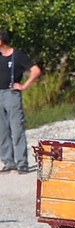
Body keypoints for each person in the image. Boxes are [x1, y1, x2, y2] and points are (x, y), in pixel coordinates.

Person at [0, 29, 42, 174]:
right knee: (2, 130)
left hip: (12, 94)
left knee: (17, 128)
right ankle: (8, 162)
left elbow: (35, 70)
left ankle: (22, 163)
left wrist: (24, 86)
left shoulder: (17, 56)